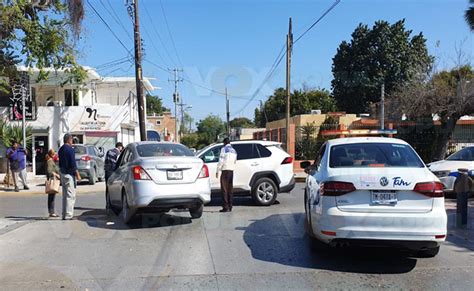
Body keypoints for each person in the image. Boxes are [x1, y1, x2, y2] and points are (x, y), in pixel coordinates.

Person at [58, 133, 81, 220]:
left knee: (65, 195)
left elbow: (59, 163)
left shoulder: (61, 149)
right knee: (70, 195)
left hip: (63, 173)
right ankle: (68, 215)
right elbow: (73, 163)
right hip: (69, 174)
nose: (72, 141)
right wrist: (77, 175)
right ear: (68, 140)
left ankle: (64, 214)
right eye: (71, 139)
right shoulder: (70, 150)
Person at [216, 138, 237, 212]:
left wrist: (218, 170)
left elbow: (221, 160)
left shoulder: (224, 149)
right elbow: (235, 161)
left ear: (224, 143)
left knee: (224, 189)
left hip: (225, 170)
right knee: (230, 189)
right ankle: (230, 206)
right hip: (231, 170)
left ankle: (225, 207)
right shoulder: (234, 150)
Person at [45, 149, 60, 217]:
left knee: (51, 196)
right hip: (52, 180)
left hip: (52, 179)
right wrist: (56, 174)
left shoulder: (51, 161)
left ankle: (51, 212)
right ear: (52, 155)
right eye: (54, 154)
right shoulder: (50, 161)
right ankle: (51, 212)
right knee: (51, 197)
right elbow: (49, 171)